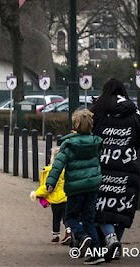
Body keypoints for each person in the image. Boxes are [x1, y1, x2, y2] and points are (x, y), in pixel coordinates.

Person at [90, 78, 140, 261]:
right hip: (127, 166)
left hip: (102, 165)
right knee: (122, 206)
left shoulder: (97, 109)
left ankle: (110, 239)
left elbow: (89, 133)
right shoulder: (134, 111)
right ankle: (115, 243)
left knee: (100, 204)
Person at [46, 109, 104, 265]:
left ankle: (82, 236)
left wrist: (50, 183)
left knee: (70, 217)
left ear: (75, 125)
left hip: (75, 188)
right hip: (92, 187)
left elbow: (58, 165)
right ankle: (97, 252)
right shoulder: (96, 142)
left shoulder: (69, 144)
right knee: (89, 219)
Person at [31, 144, 69, 244]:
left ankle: (56, 235)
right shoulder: (66, 170)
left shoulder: (52, 171)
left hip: (55, 200)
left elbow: (48, 186)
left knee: (56, 217)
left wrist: (36, 193)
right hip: (66, 197)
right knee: (66, 217)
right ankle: (69, 232)